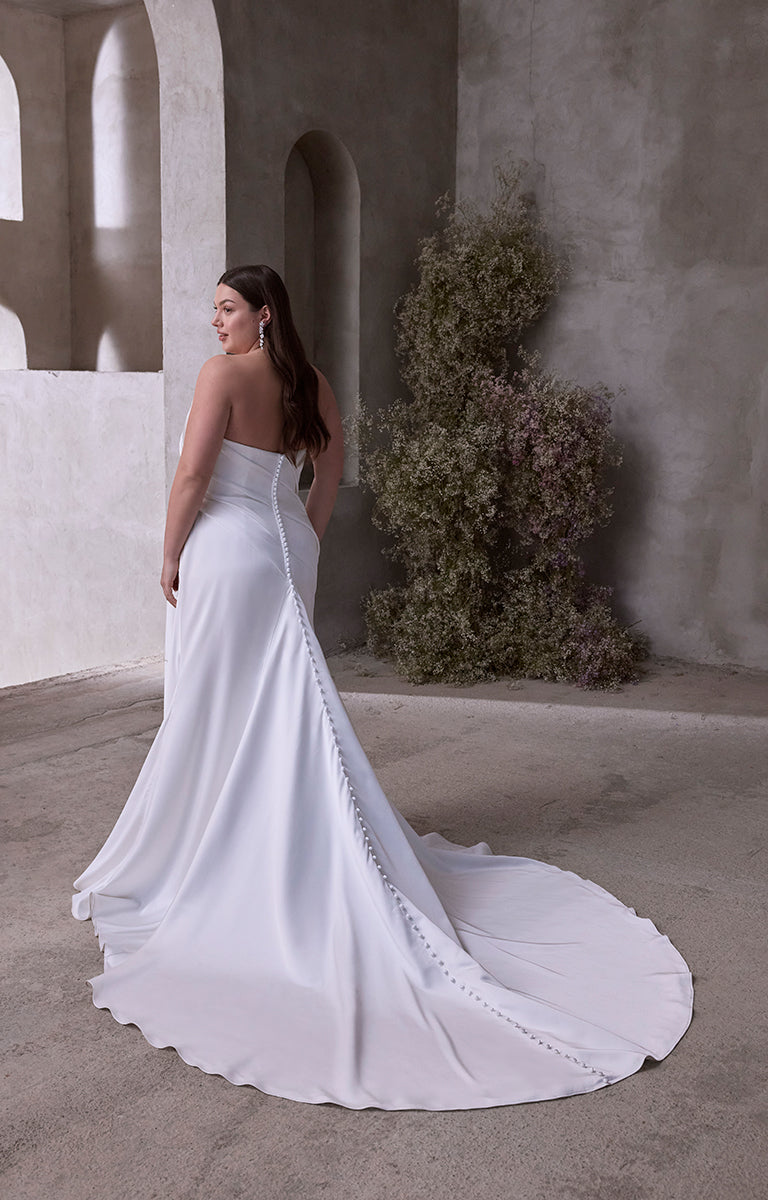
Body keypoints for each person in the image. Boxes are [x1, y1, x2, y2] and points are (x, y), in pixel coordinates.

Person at [72, 264, 693, 1111]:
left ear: (264, 314)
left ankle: (213, 850)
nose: (215, 323)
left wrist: (170, 552)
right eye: (214, 310)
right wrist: (303, 537)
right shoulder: (311, 381)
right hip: (281, 548)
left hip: (226, 550)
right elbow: (326, 472)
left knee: (217, 709)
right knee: (277, 705)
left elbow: (192, 477)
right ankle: (261, 833)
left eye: (228, 309)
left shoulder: (223, 375)